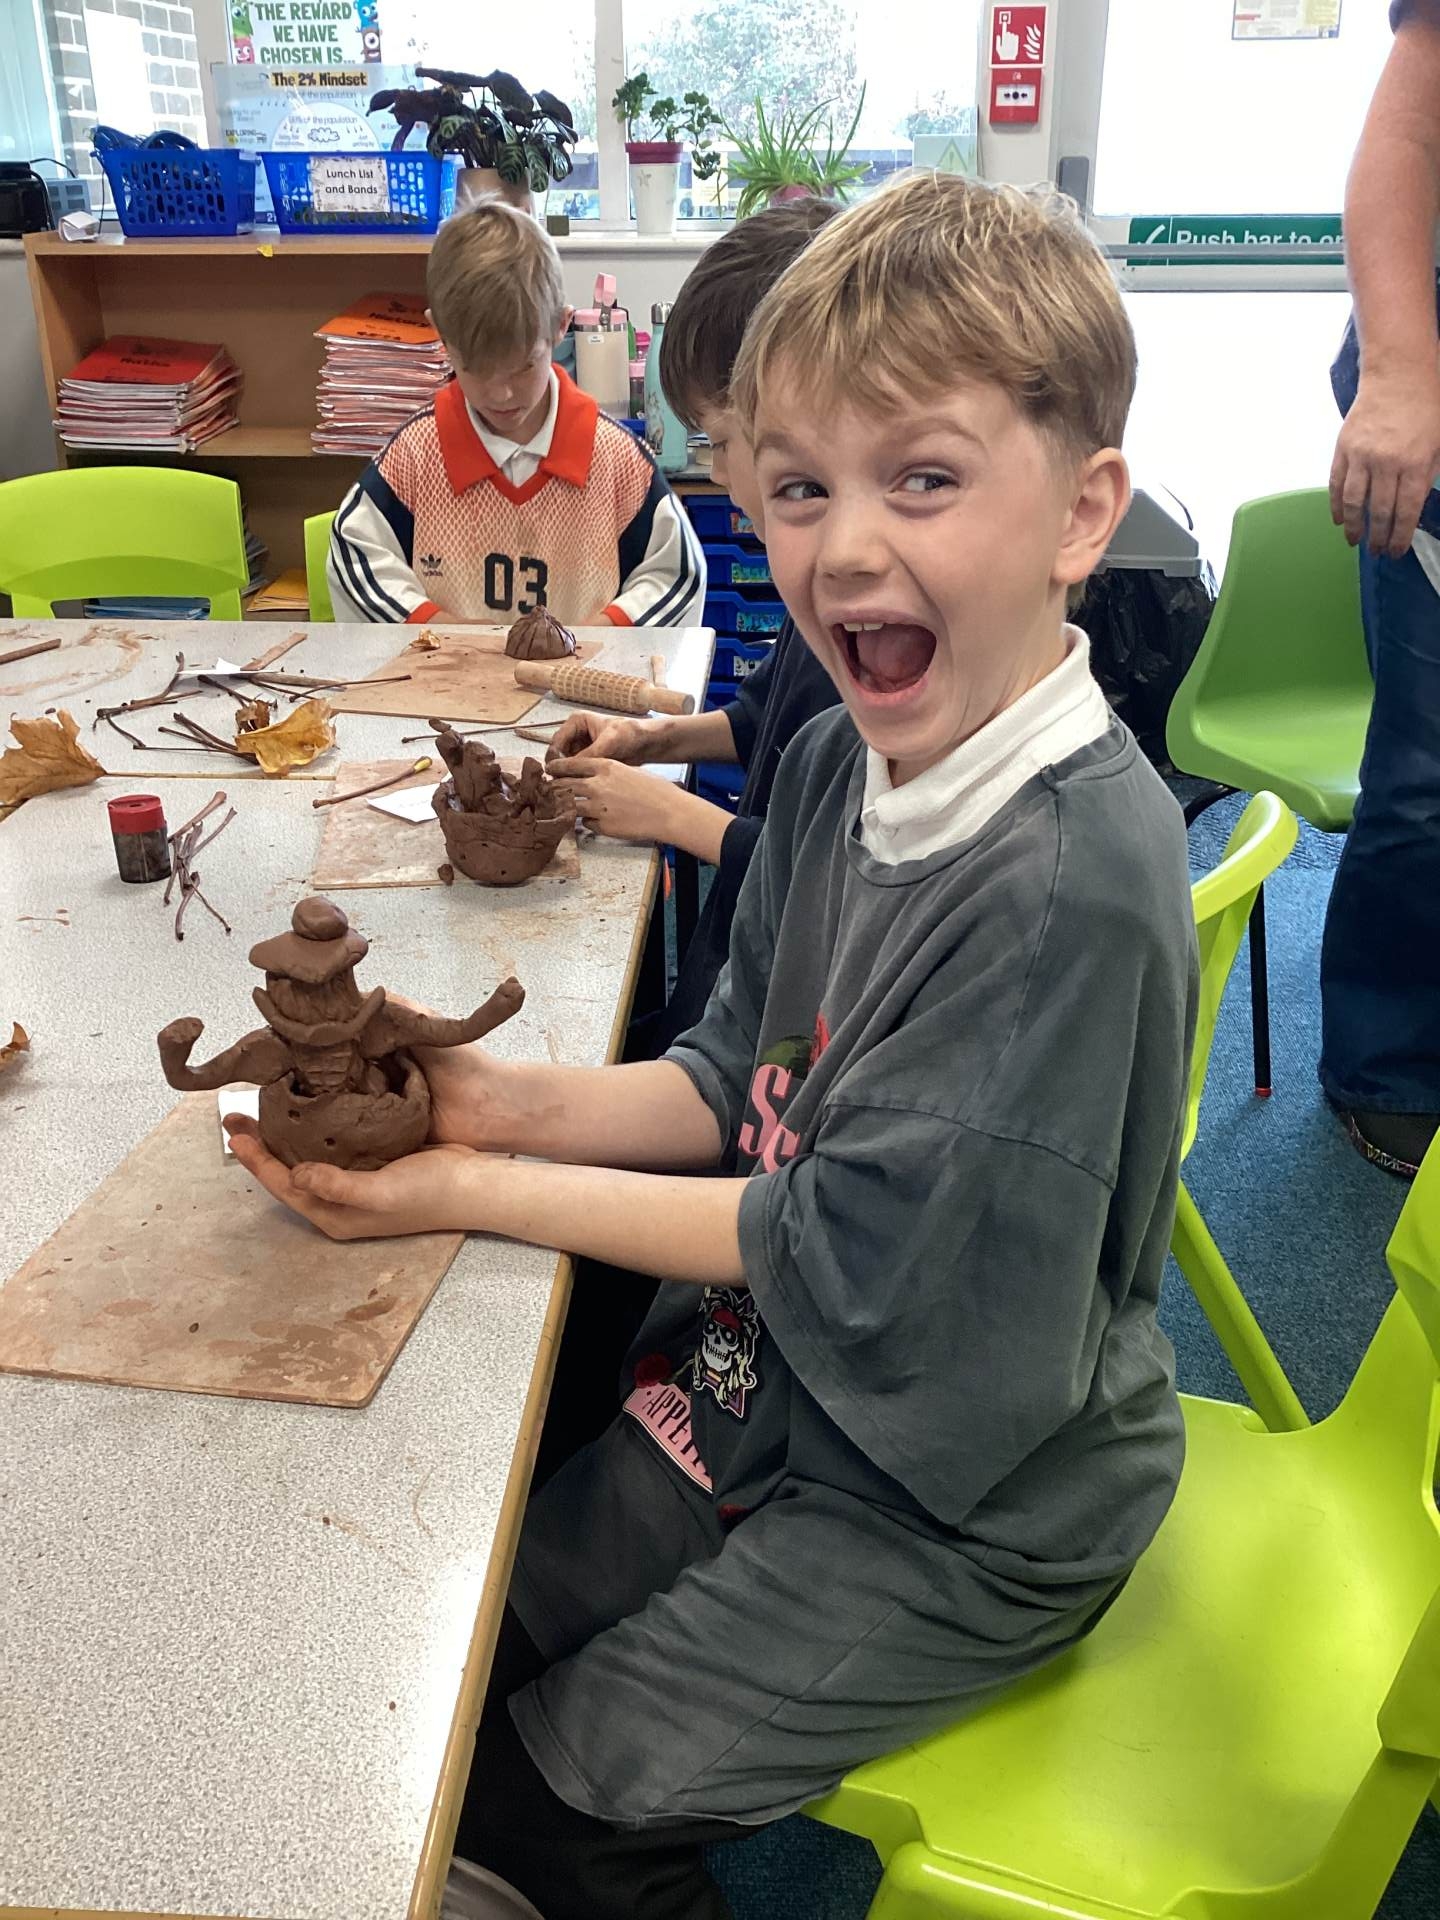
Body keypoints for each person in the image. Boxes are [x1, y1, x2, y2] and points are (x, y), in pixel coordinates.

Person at [229, 172, 1197, 1920]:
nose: (844, 547)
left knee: (530, 1811)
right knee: (449, 1662)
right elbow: (724, 1072)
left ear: (1080, 512)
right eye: (800, 487)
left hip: (955, 1502)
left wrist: (464, 1181)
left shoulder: (1063, 890)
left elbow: (821, 1239)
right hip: (773, 1387)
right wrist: (490, 1096)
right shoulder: (834, 764)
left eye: (922, 478)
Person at [546, 198, 844, 1056]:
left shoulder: (867, 641)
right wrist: (652, 740)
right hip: (735, 975)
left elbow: (831, 884)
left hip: (784, 1013)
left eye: (717, 441)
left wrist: (673, 815)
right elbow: (761, 722)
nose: (717, 474)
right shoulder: (814, 604)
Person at [327, 201, 704, 630]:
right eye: (474, 368)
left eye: (524, 366)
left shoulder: (615, 460)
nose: (501, 393)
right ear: (441, 334)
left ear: (561, 326)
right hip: (448, 671)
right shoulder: (417, 456)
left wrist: (602, 635)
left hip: (585, 671)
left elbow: (677, 575)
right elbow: (352, 554)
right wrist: (441, 629)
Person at [1323, 0, 1440, 1176]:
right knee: (1428, 769)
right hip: (1433, 397)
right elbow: (1410, 127)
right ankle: (1385, 1068)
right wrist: (1402, 373)